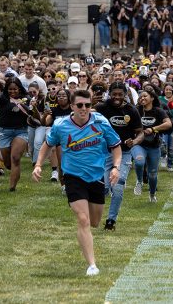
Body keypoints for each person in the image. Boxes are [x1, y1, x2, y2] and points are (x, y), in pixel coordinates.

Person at [33, 89, 122, 277]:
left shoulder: (101, 123)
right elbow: (47, 145)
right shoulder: (61, 125)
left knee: (95, 222)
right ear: (72, 106)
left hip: (96, 176)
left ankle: (88, 240)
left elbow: (116, 147)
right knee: (83, 219)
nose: (84, 109)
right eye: (80, 105)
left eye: (88, 105)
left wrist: (115, 167)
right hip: (73, 176)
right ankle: (92, 265)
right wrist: (39, 165)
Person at [95, 81, 143, 230]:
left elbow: (140, 132)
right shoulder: (101, 108)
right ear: (109, 94)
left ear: (125, 95)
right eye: (114, 94)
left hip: (124, 154)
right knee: (104, 187)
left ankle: (111, 221)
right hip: (104, 153)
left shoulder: (132, 110)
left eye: (120, 95)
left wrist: (134, 141)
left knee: (118, 186)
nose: (117, 97)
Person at [133, 89, 171, 202]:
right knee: (139, 161)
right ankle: (139, 181)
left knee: (153, 174)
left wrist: (154, 129)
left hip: (154, 146)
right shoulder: (136, 110)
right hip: (139, 144)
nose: (142, 98)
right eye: (140, 96)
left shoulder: (158, 111)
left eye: (145, 96)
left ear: (152, 98)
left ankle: (152, 194)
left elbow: (168, 124)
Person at [0, 76, 31, 192]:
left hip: (21, 131)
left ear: (19, 88)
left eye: (15, 89)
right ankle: (14, 172)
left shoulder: (26, 98)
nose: (13, 91)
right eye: (10, 89)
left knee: (15, 158)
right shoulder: (2, 98)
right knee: (8, 164)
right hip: (4, 132)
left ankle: (12, 186)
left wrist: (22, 105)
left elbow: (31, 112)